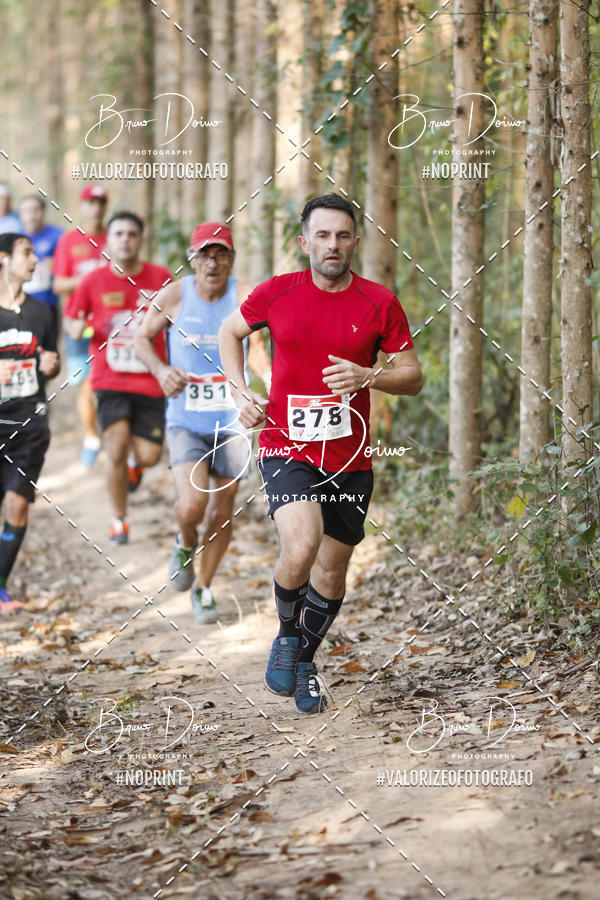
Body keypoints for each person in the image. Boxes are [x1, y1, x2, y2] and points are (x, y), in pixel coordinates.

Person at [219, 193, 423, 714]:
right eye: (323, 235)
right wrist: (241, 392)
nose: (333, 245)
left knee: (331, 575)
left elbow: (413, 376)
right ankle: (288, 638)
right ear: (304, 240)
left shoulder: (379, 302)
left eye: (343, 235)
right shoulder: (276, 293)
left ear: (355, 241)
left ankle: (304, 661)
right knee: (301, 545)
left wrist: (370, 374)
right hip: (286, 445)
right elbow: (229, 332)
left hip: (351, 457)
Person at [136, 222, 271, 624]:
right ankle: (183, 541)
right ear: (192, 259)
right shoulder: (176, 294)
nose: (212, 263)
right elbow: (142, 338)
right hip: (185, 419)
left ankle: (204, 587)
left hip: (230, 422)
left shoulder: (244, 296)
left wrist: (272, 385)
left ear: (231, 258)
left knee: (221, 512)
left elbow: (258, 349)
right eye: (204, 255)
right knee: (192, 503)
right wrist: (161, 370)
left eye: (221, 254)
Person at [63, 211, 171, 544]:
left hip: (151, 378)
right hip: (109, 379)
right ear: (107, 240)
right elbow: (70, 321)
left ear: (141, 239)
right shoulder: (92, 281)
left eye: (132, 234)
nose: (125, 239)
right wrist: (86, 327)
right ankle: (119, 520)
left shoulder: (162, 278)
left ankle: (136, 469)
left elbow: (181, 318)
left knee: (150, 455)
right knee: (116, 446)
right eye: (119, 234)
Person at [0, 233, 60, 612]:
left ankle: (1, 589)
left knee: (16, 507)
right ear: (3, 259)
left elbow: (49, 363)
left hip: (29, 425)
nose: (35, 261)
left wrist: (49, 367)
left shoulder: (42, 312)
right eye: (26, 253)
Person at [53, 185, 108, 468]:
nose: (96, 208)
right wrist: (90, 280)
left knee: (111, 383)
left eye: (101, 202)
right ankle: (91, 439)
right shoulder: (68, 242)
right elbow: (58, 283)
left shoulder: (117, 238)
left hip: (111, 325)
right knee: (84, 384)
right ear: (82, 206)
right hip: (77, 325)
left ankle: (114, 440)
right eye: (91, 202)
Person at [18, 195, 64, 334]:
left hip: (49, 303)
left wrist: (55, 265)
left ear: (43, 212)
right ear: (20, 214)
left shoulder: (58, 235)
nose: (32, 215)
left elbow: (67, 265)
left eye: (36, 210)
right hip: (21, 305)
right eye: (27, 211)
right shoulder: (13, 239)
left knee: (50, 349)